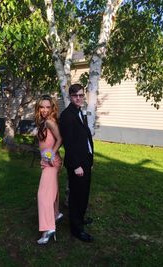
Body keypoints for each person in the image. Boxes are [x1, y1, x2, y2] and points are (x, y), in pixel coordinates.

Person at [59, 84, 94, 242]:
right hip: (77, 163)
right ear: (70, 97)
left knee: (84, 193)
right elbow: (69, 143)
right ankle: (76, 229)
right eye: (75, 96)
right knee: (76, 196)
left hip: (85, 160)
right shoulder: (67, 115)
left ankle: (80, 218)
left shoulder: (79, 112)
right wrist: (77, 165)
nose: (78, 98)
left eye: (81, 95)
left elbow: (84, 137)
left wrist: (89, 159)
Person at [35, 95, 63, 245]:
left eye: (48, 107)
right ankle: (56, 213)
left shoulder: (50, 122)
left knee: (42, 195)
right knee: (52, 190)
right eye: (42, 107)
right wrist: (46, 156)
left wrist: (51, 154)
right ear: (38, 108)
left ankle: (48, 229)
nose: (45, 110)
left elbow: (60, 139)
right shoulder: (43, 121)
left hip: (51, 162)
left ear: (52, 108)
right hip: (47, 161)